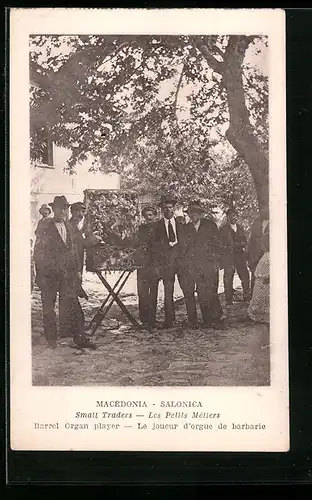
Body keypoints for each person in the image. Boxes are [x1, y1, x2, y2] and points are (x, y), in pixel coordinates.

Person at [33, 195, 97, 350]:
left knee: (74, 306)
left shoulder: (69, 227)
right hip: (49, 277)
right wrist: (40, 276)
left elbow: (73, 251)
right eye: (59, 208)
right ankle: (51, 341)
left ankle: (80, 338)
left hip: (66, 276)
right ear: (53, 209)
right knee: (49, 309)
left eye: (65, 208)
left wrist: (76, 272)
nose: (62, 211)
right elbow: (38, 252)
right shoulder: (45, 226)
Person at [179, 201, 224, 329]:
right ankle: (199, 319)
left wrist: (215, 261)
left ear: (200, 214)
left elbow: (217, 244)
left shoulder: (210, 226)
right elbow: (184, 247)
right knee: (200, 290)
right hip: (193, 265)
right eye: (191, 213)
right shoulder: (186, 228)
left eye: (196, 213)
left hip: (208, 264)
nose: (193, 215)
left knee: (208, 291)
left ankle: (210, 318)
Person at [149, 195, 185, 329]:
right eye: (165, 208)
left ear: (174, 209)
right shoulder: (156, 226)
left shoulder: (181, 224)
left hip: (181, 263)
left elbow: (186, 243)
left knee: (187, 290)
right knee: (168, 291)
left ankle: (192, 319)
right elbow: (154, 246)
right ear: (161, 210)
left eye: (170, 207)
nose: (168, 210)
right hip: (166, 263)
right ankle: (169, 320)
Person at [219, 208, 251, 305]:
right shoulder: (223, 229)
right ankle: (228, 300)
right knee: (228, 278)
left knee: (245, 275)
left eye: (235, 215)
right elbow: (222, 244)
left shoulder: (240, 228)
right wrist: (234, 245)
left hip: (240, 256)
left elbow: (244, 241)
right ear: (227, 217)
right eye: (231, 215)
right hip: (229, 257)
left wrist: (241, 244)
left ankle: (246, 295)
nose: (233, 217)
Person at [136, 206, 160, 329]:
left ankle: (152, 319)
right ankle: (143, 319)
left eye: (151, 215)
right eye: (146, 216)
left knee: (153, 293)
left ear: (155, 216)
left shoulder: (160, 229)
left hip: (154, 265)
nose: (148, 218)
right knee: (142, 293)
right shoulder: (141, 229)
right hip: (142, 265)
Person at [247, 231, 270, 324]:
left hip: (265, 281)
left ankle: (262, 314)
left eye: (262, 244)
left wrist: (267, 277)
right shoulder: (266, 255)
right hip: (260, 280)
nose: (261, 247)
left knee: (263, 298)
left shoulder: (269, 256)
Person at [248, 206, 269, 292]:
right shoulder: (256, 222)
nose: (263, 213)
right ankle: (253, 295)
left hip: (268, 254)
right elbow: (251, 238)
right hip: (256, 254)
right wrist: (248, 254)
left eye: (265, 212)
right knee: (255, 274)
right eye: (261, 212)